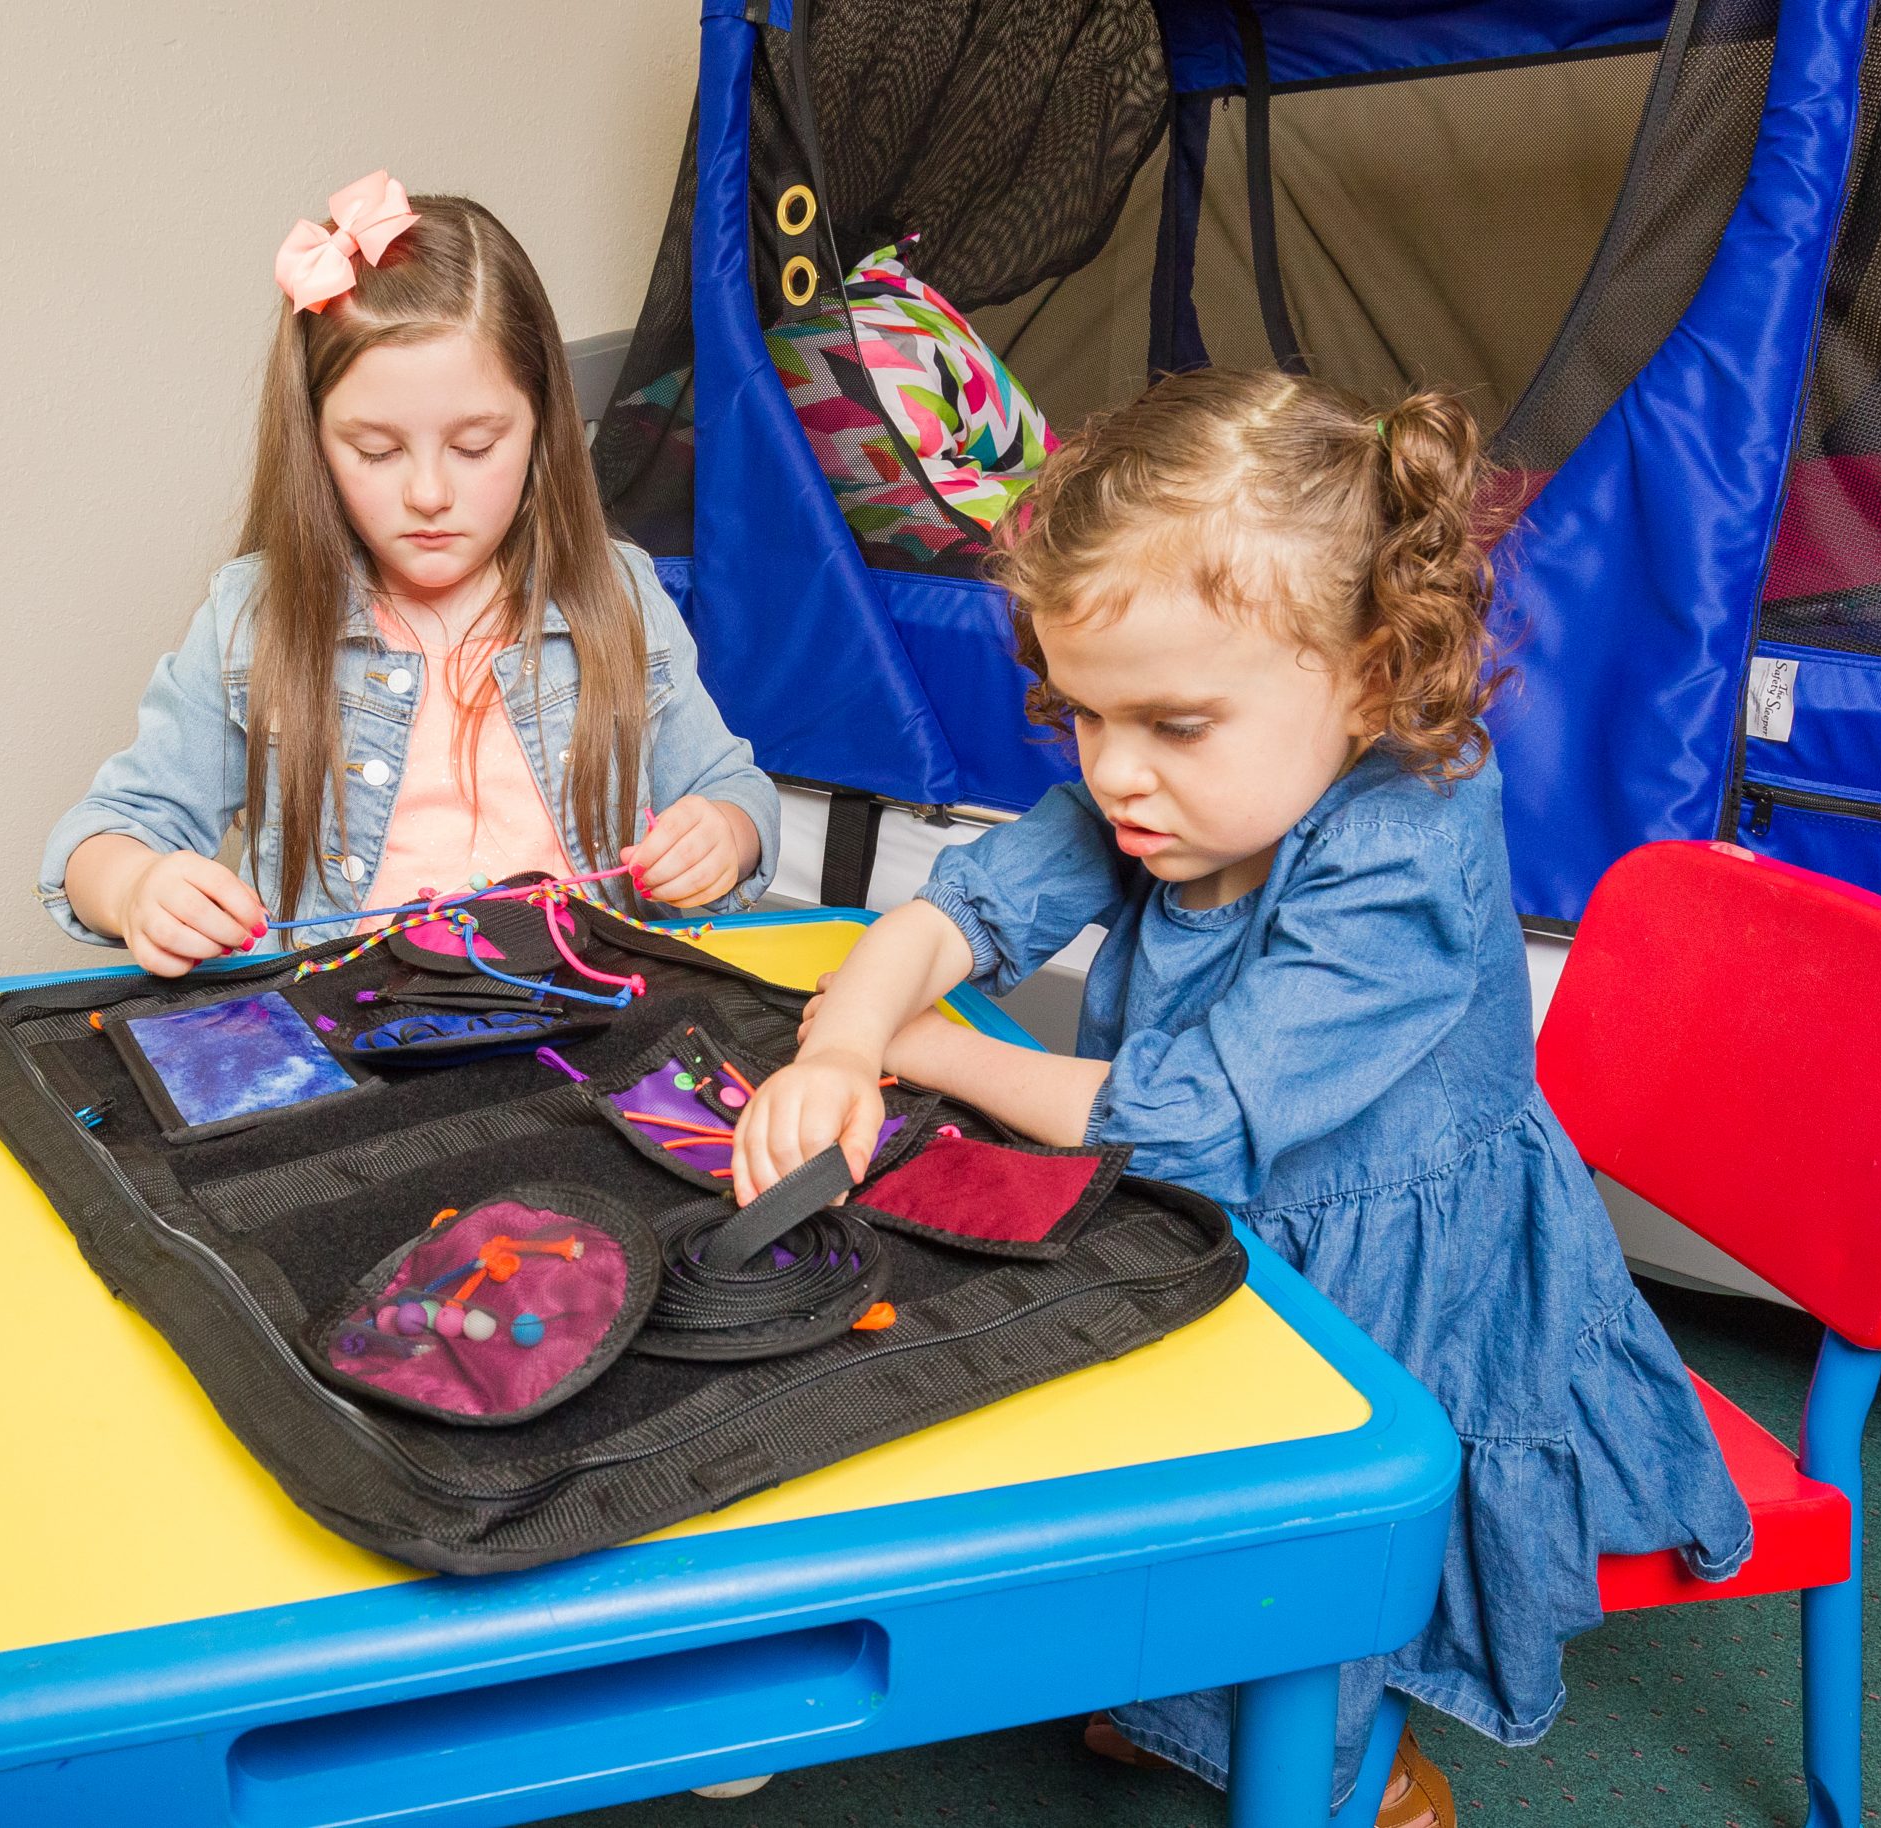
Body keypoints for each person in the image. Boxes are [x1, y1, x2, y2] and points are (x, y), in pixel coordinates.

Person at [731, 367, 1751, 1825]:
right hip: (1228, 1211)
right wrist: (851, 1033)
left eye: (1171, 726)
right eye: (1085, 719)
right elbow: (962, 908)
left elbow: (1194, 1105)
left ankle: (1359, 1781)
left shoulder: (1412, 846)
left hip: (1399, 1270)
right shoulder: (1167, 784)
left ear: (1370, 673)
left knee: (1313, 1535)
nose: (1114, 774)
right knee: (1165, 1462)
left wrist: (932, 1053)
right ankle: (1181, 1702)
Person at [43, 173, 775, 970]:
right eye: (377, 451)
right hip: (348, 1045)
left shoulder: (618, 596)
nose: (429, 493)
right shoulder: (253, 620)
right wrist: (137, 886)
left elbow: (737, 791)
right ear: (315, 440)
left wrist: (723, 837)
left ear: (540, 427)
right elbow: (100, 836)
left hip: (583, 1025)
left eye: (473, 447)